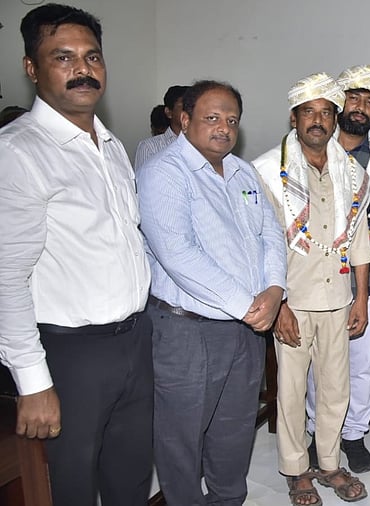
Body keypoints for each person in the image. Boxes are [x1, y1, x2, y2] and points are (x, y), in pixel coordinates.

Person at [0, 4, 153, 504]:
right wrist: (33, 379)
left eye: (92, 57)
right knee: (73, 486)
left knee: (129, 475)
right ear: (31, 68)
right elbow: (7, 276)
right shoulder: (19, 152)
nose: (82, 69)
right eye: (62, 57)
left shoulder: (109, 146)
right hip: (71, 353)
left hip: (133, 339)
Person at [137, 80, 286, 505]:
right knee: (181, 435)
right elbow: (177, 253)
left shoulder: (243, 171)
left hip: (247, 327)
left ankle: (227, 500)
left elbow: (271, 234)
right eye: (212, 118)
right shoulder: (163, 172)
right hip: (188, 332)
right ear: (185, 120)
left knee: (235, 429)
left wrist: (274, 290)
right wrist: (248, 306)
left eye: (232, 120)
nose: (223, 127)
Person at [253, 72, 370, 504]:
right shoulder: (269, 170)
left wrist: (360, 297)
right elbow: (261, 243)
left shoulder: (351, 173)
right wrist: (278, 302)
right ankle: (296, 468)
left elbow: (358, 241)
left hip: (338, 299)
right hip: (293, 300)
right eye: (309, 112)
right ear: (294, 117)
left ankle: (329, 463)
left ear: (335, 118)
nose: (318, 121)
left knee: (336, 387)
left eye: (326, 112)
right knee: (291, 388)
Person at [304, 64, 370, 474]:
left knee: (361, 365)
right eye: (354, 98)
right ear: (337, 102)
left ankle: (353, 434)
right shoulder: (309, 153)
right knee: (320, 365)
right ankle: (319, 433)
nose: (361, 107)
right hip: (319, 281)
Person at [134, 84, 188, 169]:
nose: (190, 111)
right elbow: (144, 181)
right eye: (184, 107)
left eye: (193, 107)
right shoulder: (150, 147)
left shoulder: (204, 144)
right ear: (169, 112)